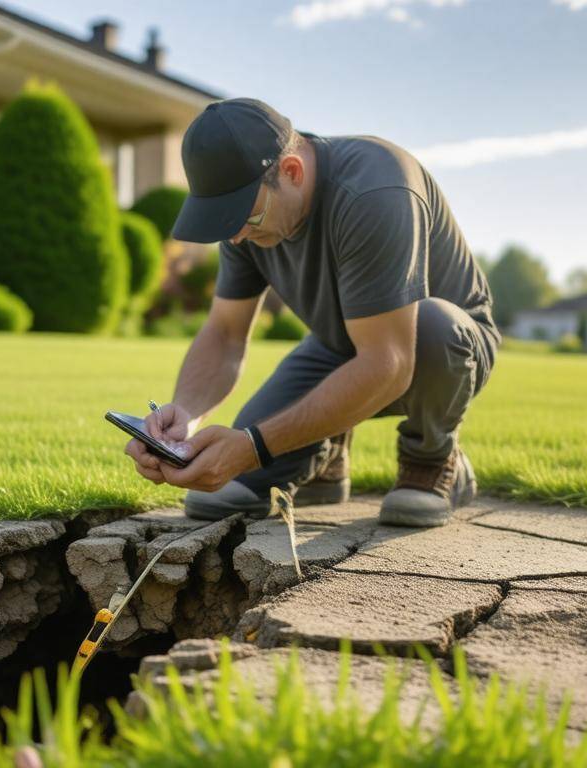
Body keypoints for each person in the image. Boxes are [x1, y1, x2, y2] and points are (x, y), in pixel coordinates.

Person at [124, 98, 498, 527]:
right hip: (338, 345)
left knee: (433, 325)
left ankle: (432, 458)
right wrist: (184, 420)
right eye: (227, 222)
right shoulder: (244, 221)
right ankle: (327, 459)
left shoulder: (376, 189)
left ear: (292, 171)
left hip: (438, 347)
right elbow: (226, 333)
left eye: (247, 216)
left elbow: (390, 361)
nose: (238, 236)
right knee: (231, 493)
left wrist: (253, 446)